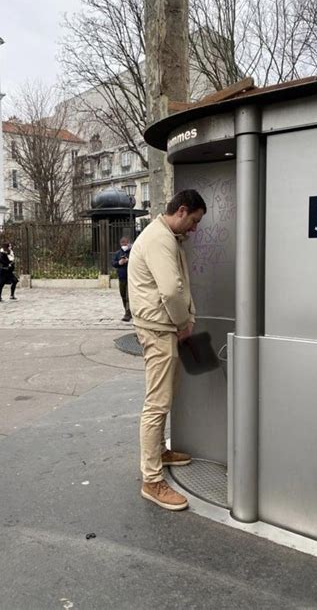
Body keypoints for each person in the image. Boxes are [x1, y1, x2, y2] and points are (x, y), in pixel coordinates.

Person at [128, 189, 207, 511]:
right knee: (157, 404)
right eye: (194, 221)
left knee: (163, 397)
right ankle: (152, 480)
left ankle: (159, 451)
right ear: (182, 210)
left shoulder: (162, 235)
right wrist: (183, 323)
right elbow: (172, 291)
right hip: (161, 329)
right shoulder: (160, 239)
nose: (194, 228)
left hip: (161, 327)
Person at [112, 236, 132, 322]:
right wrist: (119, 262)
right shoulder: (117, 253)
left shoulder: (132, 252)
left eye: (125, 243)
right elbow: (113, 263)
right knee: (123, 295)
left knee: (128, 296)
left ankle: (128, 313)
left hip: (130, 277)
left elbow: (137, 261)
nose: (124, 245)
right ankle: (127, 310)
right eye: (122, 243)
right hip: (121, 277)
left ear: (128, 243)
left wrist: (129, 260)